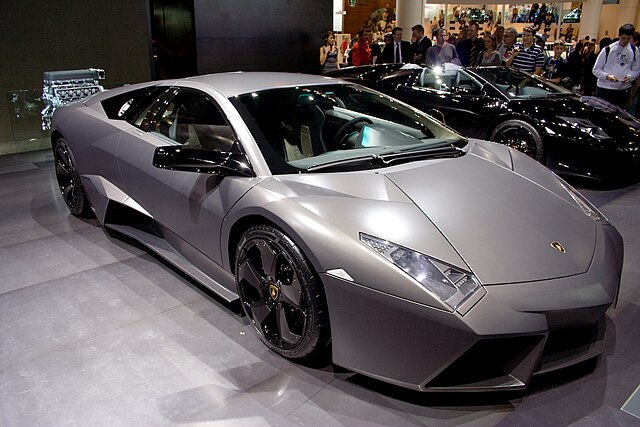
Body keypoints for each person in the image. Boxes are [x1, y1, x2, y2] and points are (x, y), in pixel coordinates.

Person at [592, 24, 640, 108]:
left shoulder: (634, 50)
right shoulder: (608, 49)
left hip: (623, 90)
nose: (625, 41)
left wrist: (630, 76)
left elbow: (636, 70)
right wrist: (607, 76)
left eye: (628, 39)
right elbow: (596, 69)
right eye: (623, 38)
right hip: (605, 88)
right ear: (619, 36)